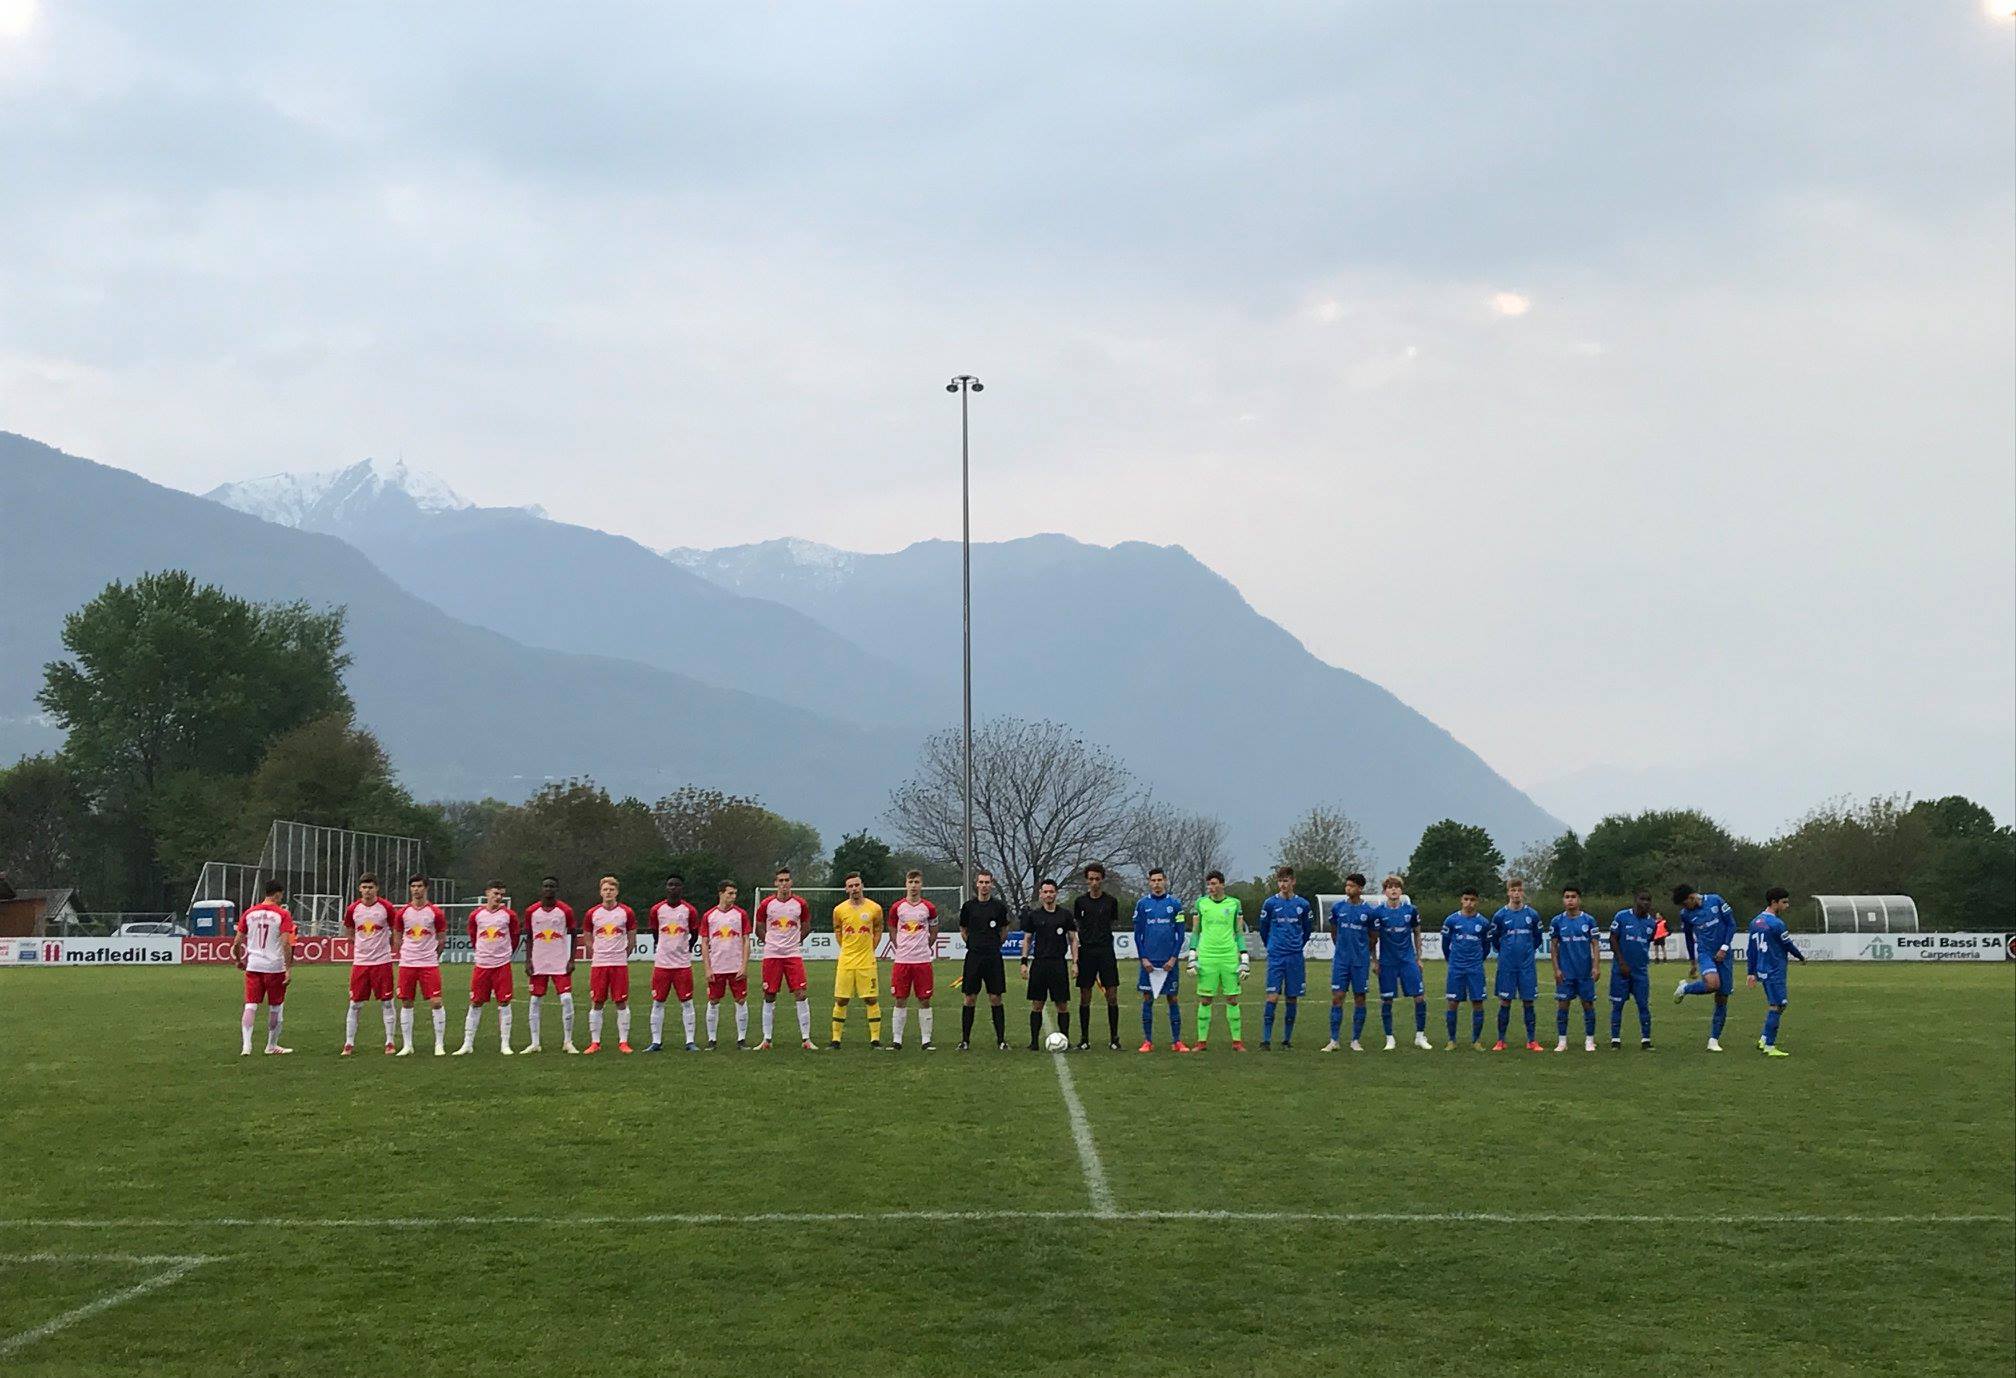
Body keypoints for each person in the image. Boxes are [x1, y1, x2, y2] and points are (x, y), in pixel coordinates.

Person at [754, 867, 816, 1051]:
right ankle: (767, 1039)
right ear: (775, 883)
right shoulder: (766, 904)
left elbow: (806, 926)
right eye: (780, 881)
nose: (783, 884)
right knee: (769, 995)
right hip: (772, 955)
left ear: (791, 882)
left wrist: (795, 941)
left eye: (786, 880)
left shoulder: (800, 904)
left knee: (801, 994)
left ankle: (806, 1039)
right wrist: (771, 942)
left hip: (792, 955)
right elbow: (758, 927)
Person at [1671, 883, 1739, 1052]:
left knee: (1722, 998)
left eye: (1685, 903)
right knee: (1712, 984)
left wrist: (1724, 947)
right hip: (1706, 953)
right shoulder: (1685, 914)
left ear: (1692, 897)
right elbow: (1688, 937)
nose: (1685, 908)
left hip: (1724, 954)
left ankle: (1713, 1040)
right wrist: (1693, 962)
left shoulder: (1716, 900)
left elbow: (1731, 924)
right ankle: (1686, 988)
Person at [456, 881, 520, 1055]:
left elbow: (514, 937)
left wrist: (504, 954)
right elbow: (473, 935)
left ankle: (505, 1044)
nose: (498, 897)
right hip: (482, 965)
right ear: (487, 893)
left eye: (501, 894)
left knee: (504, 1002)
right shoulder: (476, 915)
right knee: (476, 1002)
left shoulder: (509, 915)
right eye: (495, 893)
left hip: (501, 965)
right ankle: (467, 1043)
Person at [233, 878, 295, 1056]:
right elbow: (285, 944)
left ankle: (246, 1046)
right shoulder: (282, 914)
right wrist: (288, 969)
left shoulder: (249, 913)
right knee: (276, 1007)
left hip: (253, 966)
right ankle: (271, 1045)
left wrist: (238, 960)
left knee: (250, 1005)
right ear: (277, 894)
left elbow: (237, 942)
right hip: (274, 967)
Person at [1370, 875, 1432, 1051]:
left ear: (1401, 890)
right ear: (1385, 891)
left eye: (1397, 887)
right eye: (1390, 887)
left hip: (1407, 961)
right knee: (1387, 1000)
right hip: (1388, 962)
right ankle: (1390, 1038)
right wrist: (1375, 961)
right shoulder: (1378, 913)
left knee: (1419, 997)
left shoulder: (1411, 910)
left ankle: (1420, 1036)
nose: (1393, 890)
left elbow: (1417, 933)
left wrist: (1419, 958)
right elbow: (1373, 939)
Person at [1189, 870, 1248, 1051]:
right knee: (1205, 999)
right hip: (1207, 957)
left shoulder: (1234, 904)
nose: (1211, 888)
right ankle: (1201, 1042)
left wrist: (1244, 958)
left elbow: (1238, 933)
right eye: (1208, 885)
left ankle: (1237, 1042)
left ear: (1222, 884)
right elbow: (1196, 932)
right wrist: (1192, 957)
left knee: (1232, 998)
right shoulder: (1201, 903)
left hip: (1229, 956)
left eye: (1214, 884)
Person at [341, 873, 398, 1056]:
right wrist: (358, 946)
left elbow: (395, 929)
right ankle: (349, 1043)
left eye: (371, 887)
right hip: (361, 963)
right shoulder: (353, 909)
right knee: (355, 1004)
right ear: (359, 889)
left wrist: (387, 946)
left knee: (387, 1002)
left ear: (377, 888)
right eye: (364, 887)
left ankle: (389, 1041)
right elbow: (349, 931)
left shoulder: (386, 908)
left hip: (382, 962)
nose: (367, 891)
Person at [1132, 868, 1188, 1053]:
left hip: (1168, 962)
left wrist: (1173, 958)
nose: (1156, 883)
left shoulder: (1175, 904)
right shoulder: (1142, 905)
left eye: (1159, 880)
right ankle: (1148, 1041)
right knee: (1147, 998)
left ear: (1165, 881)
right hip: (1149, 962)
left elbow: (1180, 935)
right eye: (1153, 880)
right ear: (1149, 882)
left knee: (1172, 998)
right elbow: (1138, 935)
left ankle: (1177, 1041)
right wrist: (1144, 959)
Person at [1258, 866, 1315, 1049]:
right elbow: (1264, 929)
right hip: (1276, 956)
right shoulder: (1270, 904)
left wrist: (1297, 945)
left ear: (1293, 882)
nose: (1283, 884)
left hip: (1295, 957)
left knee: (1292, 997)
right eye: (1280, 881)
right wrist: (1272, 946)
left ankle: (1286, 1040)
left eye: (1286, 880)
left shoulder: (1303, 905)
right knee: (1272, 997)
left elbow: (1307, 930)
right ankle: (1266, 1040)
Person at [1019, 879, 1079, 1050]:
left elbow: (1073, 940)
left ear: (1056, 893)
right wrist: (1024, 962)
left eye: (1051, 892)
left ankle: (1065, 1040)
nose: (1048, 895)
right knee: (1037, 1003)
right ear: (1041, 894)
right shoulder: (1034, 916)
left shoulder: (1065, 915)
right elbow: (1027, 939)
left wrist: (1075, 963)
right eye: (1045, 892)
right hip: (1039, 964)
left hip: (1058, 963)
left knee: (1062, 1004)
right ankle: (1033, 1043)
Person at [522, 876, 579, 1054]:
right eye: (545, 886)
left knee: (567, 999)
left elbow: (574, 934)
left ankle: (568, 1041)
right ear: (541, 889)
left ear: (556, 889)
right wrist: (528, 960)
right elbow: (529, 937)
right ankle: (535, 1043)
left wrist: (571, 959)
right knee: (535, 1000)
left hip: (560, 962)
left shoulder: (565, 911)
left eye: (552, 886)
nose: (548, 889)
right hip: (538, 962)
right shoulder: (531, 911)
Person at [1747, 886, 1805, 1057]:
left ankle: (1764, 1039)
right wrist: (1800, 957)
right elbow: (1788, 945)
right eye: (1784, 902)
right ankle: (1770, 1046)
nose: (1787, 906)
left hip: (1763, 969)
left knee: (1777, 1004)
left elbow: (1751, 950)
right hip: (1774, 969)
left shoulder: (1755, 922)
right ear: (1774, 902)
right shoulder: (1777, 924)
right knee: (1778, 1004)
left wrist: (1751, 972)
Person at [395, 875, 450, 1057]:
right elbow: (397, 935)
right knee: (406, 1001)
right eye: (413, 886)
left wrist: (434, 955)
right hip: (408, 963)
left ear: (426, 888)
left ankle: (439, 1044)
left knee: (436, 1002)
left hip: (428, 963)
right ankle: (407, 1045)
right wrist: (404, 952)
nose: (416, 889)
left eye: (419, 886)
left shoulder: (435, 912)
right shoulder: (402, 913)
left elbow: (441, 938)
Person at [958, 869, 1011, 1050]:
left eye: (987, 882)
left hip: (993, 957)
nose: (984, 886)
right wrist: (974, 944)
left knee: (995, 997)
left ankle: (1001, 1040)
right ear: (976, 884)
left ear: (992, 884)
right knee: (970, 997)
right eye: (981, 882)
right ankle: (965, 1041)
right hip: (974, 957)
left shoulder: (999, 907)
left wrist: (993, 945)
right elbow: (963, 930)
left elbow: (1004, 932)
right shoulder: (968, 907)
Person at [830, 872, 884, 1049]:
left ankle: (875, 1039)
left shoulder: (874, 908)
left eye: (857, 885)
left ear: (862, 886)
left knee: (871, 999)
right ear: (846, 889)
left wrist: (870, 948)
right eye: (850, 886)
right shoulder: (839, 910)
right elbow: (838, 930)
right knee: (841, 999)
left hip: (866, 961)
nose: (854, 889)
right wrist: (846, 947)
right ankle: (836, 1040)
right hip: (846, 960)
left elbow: (878, 928)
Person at [647, 874, 701, 1052]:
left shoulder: (689, 910)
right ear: (666, 887)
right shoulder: (657, 909)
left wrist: (686, 948)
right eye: (670, 885)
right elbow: (655, 932)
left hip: (682, 965)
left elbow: (694, 933)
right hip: (662, 965)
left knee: (687, 1002)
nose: (673, 888)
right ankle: (656, 1041)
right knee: (658, 1002)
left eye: (676, 885)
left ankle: (690, 1041)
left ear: (681, 888)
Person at [1490, 878, 1545, 1052]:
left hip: (1526, 966)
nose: (1516, 894)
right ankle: (1500, 1040)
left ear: (1523, 892)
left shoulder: (1532, 915)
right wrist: (1507, 953)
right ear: (1508, 892)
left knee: (1528, 1002)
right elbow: (1495, 940)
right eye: (1513, 890)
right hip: (1507, 966)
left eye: (1519, 890)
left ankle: (1531, 1040)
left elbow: (1537, 939)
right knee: (1505, 1001)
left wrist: (1526, 952)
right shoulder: (1500, 916)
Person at [1073, 863, 1124, 1051]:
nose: (1094, 882)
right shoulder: (1080, 902)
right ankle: (1084, 1039)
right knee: (1085, 995)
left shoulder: (1111, 902)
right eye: (1091, 879)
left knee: (1111, 994)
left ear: (1102, 879)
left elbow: (1111, 923)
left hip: (1105, 952)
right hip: (1086, 952)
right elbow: (1078, 925)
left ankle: (1114, 1038)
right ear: (1087, 880)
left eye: (1097, 879)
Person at [1323, 872, 1376, 1052]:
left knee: (1360, 998)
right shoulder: (1338, 908)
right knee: (1337, 997)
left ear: (1360, 889)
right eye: (1347, 885)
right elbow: (1334, 932)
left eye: (1351, 886)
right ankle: (1334, 1040)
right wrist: (1342, 949)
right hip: (1341, 961)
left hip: (1360, 962)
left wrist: (1362, 951)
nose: (1348, 888)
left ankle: (1355, 1040)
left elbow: (1373, 937)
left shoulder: (1368, 911)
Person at [887, 871, 939, 1051]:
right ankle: (897, 1040)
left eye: (917, 882)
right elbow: (892, 927)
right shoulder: (897, 907)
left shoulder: (929, 907)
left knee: (924, 999)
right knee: (900, 998)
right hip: (902, 961)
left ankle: (926, 1040)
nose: (914, 885)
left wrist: (927, 945)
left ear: (921, 884)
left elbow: (934, 929)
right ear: (906, 884)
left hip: (922, 960)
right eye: (911, 882)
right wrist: (898, 945)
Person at [584, 875, 636, 1054]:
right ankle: (595, 1042)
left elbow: (631, 935)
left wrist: (624, 953)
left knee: (621, 1001)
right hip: (599, 964)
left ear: (617, 892)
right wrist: (594, 950)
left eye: (611, 889)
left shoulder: (626, 912)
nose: (608, 892)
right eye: (605, 889)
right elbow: (587, 934)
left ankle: (623, 1042)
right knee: (597, 1001)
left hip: (618, 964)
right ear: (600, 892)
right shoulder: (592, 913)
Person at [701, 881, 752, 1050]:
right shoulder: (709, 916)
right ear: (721, 894)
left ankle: (741, 1039)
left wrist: (744, 965)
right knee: (714, 1001)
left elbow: (746, 941)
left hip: (736, 966)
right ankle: (712, 1040)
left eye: (735, 893)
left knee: (741, 1000)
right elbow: (705, 942)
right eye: (730, 893)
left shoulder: (741, 914)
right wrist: (707, 967)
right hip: (717, 967)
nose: (733, 897)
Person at [1440, 887, 1492, 1051]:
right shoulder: (1451, 920)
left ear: (1477, 901)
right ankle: (1451, 1040)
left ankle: (1476, 1040)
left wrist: (1477, 961)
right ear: (1461, 900)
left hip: (1475, 968)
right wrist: (1452, 960)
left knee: (1477, 1002)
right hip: (1456, 967)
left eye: (1472, 900)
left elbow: (1486, 946)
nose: (1469, 903)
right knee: (1453, 1003)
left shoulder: (1483, 923)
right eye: (1466, 899)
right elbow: (1445, 944)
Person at [1550, 885, 1600, 1053]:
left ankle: (1589, 1040)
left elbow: (1595, 944)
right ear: (1563, 900)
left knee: (1588, 1005)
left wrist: (1596, 966)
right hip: (1566, 972)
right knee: (1563, 1006)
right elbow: (1554, 947)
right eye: (1566, 896)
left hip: (1584, 972)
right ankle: (1562, 1041)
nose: (1570, 900)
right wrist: (1556, 969)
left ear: (1579, 899)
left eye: (1573, 896)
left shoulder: (1588, 920)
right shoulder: (1557, 921)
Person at [1608, 889, 1658, 1049]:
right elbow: (1613, 938)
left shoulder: (1652, 923)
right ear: (1635, 900)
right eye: (1642, 899)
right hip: (1620, 970)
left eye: (1648, 900)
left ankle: (1646, 1040)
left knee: (1643, 1004)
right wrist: (1621, 962)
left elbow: (1647, 942)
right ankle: (1615, 1039)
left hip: (1640, 971)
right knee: (1617, 1004)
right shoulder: (1621, 917)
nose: (1645, 903)